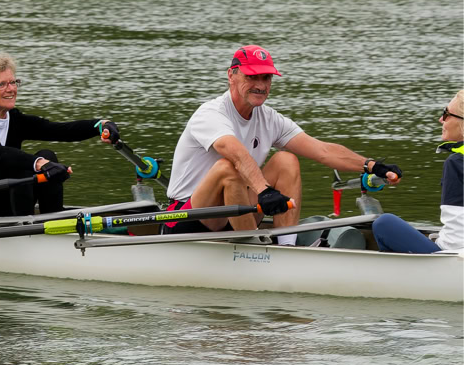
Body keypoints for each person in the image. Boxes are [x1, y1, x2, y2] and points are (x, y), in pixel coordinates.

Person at [163, 45, 403, 244]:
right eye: (252, 77)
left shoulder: (269, 118)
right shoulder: (211, 113)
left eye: (266, 77)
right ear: (231, 75)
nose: (260, 85)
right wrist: (265, 191)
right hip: (188, 218)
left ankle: (285, 246)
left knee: (286, 160)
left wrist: (371, 166)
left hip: (237, 212)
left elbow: (322, 151)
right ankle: (253, 248)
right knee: (228, 167)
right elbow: (235, 154)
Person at [0, 52, 120, 219]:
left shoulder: (15, 119)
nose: (11, 89)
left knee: (47, 155)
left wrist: (100, 125)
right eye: (2, 84)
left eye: (13, 82)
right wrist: (39, 164)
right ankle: (26, 228)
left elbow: (59, 130)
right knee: (18, 165)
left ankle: (54, 221)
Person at [372, 90, 463, 253]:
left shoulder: (457, 163)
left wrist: (439, 244)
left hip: (451, 258)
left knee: (384, 223)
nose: (441, 119)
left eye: (446, 114)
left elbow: (457, 241)